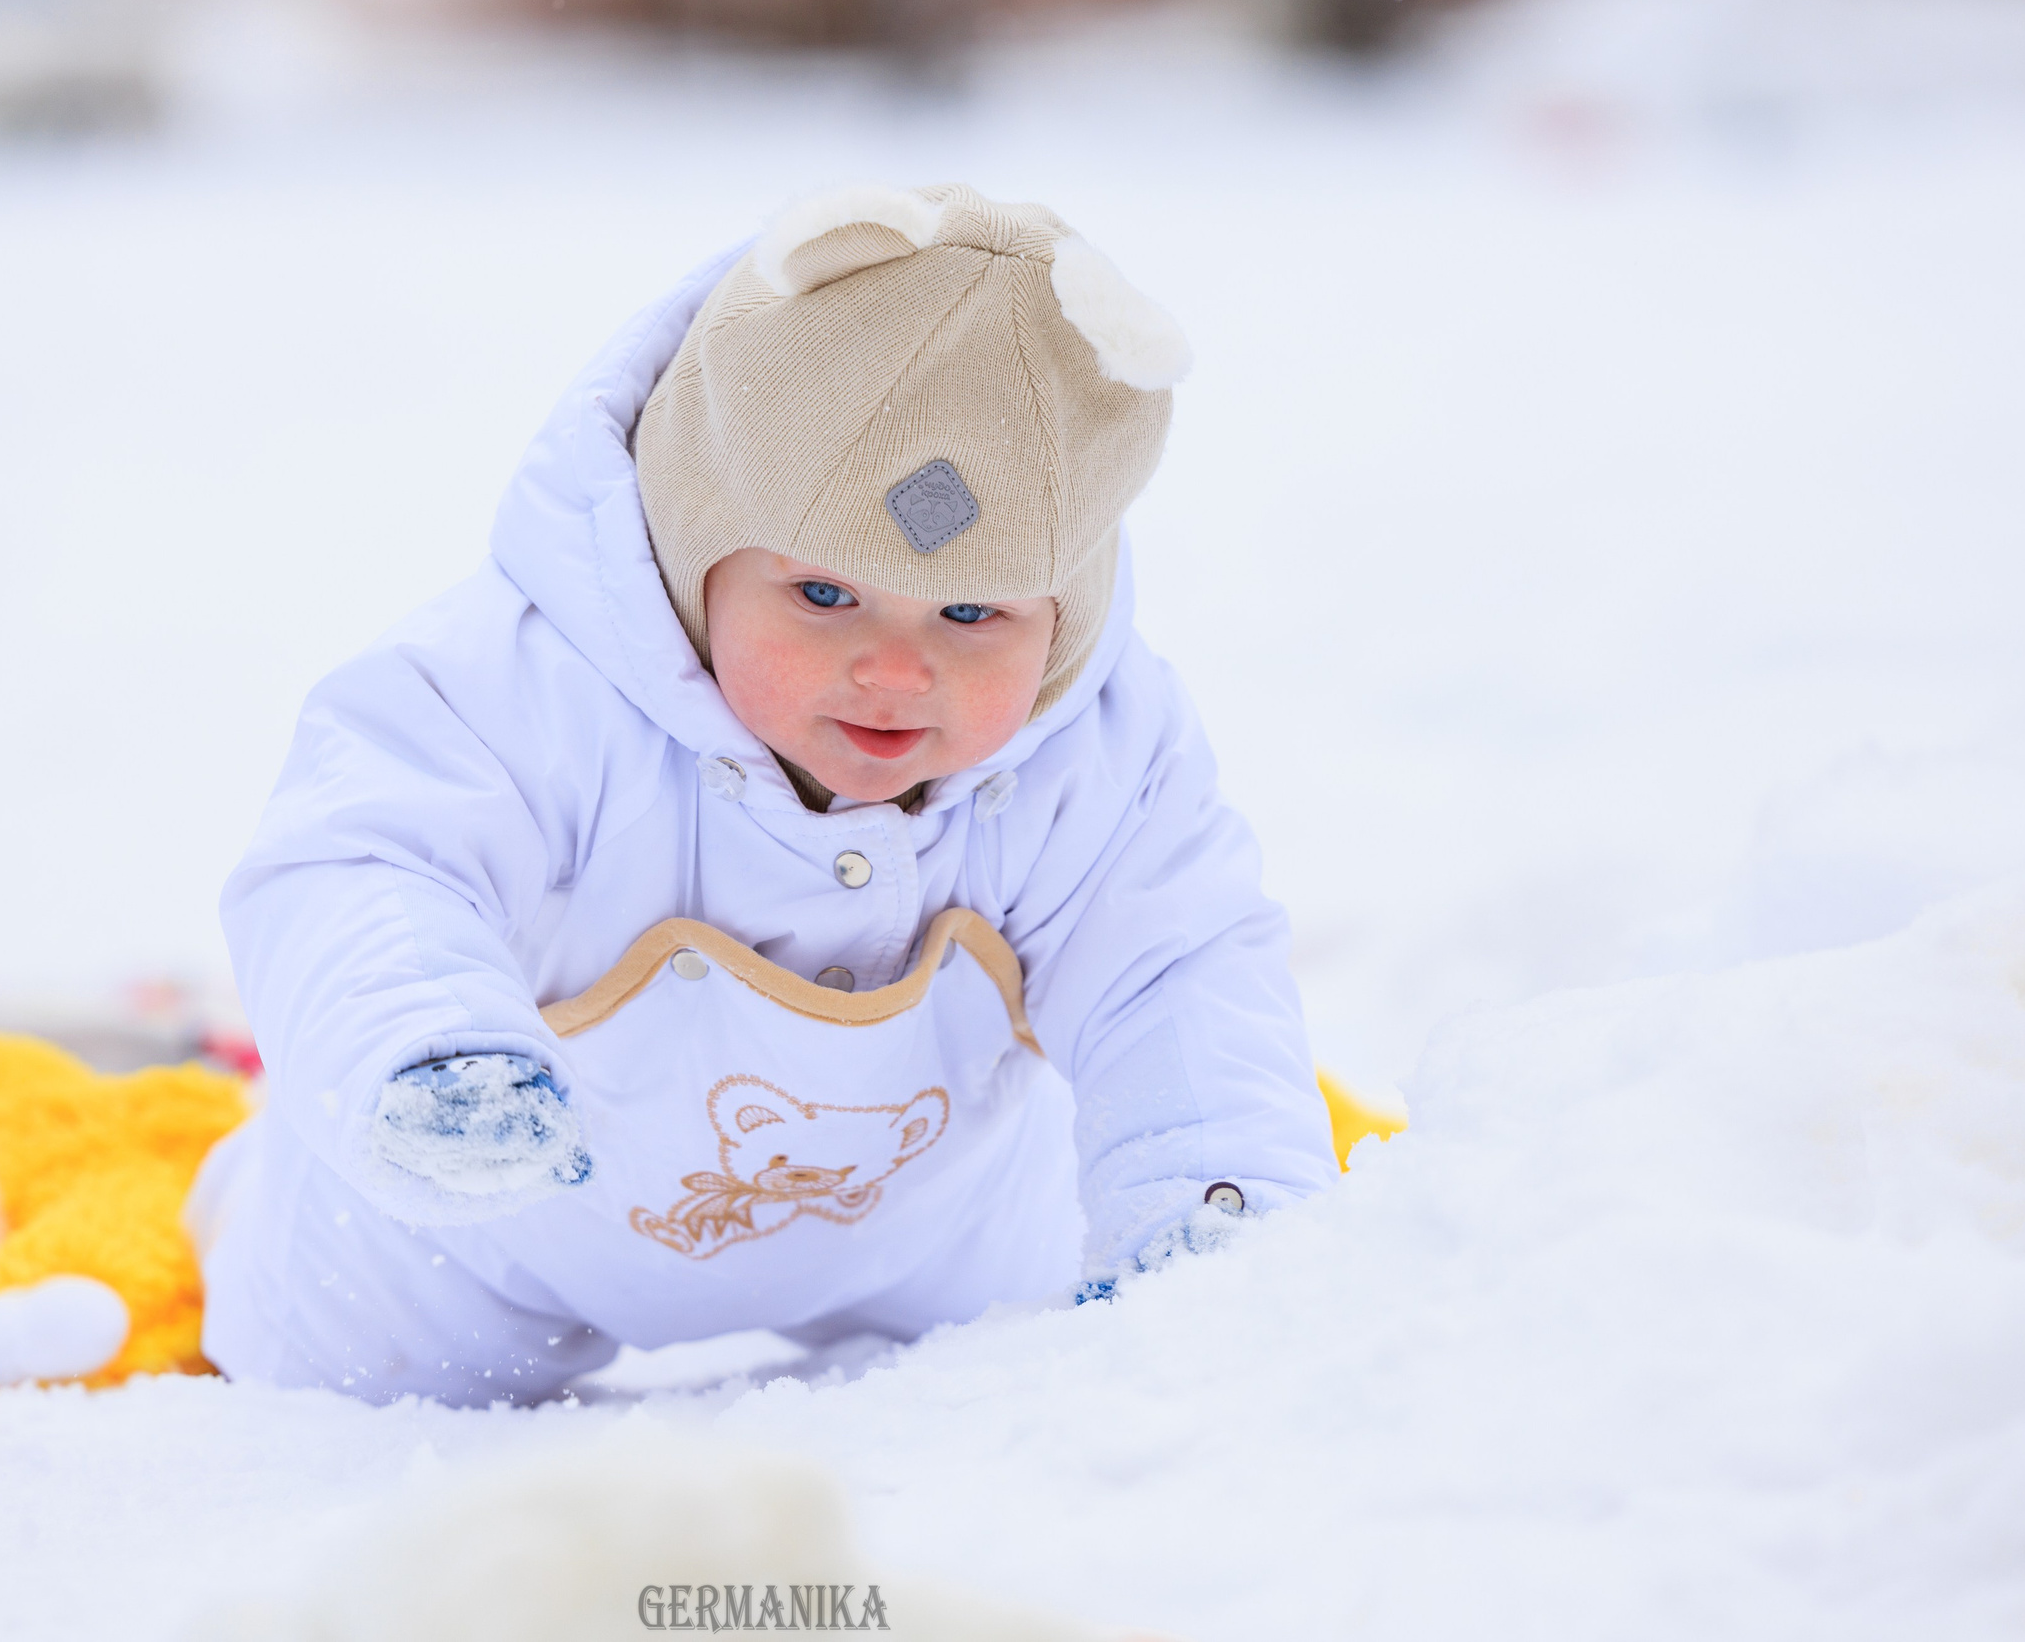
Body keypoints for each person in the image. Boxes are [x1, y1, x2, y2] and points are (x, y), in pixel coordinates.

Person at [191, 184, 1338, 1405]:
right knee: (340, 1385)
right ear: (693, 551)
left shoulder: (1093, 752)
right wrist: (426, 1049)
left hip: (935, 1224)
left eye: (970, 613)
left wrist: (1213, 1193)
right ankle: (231, 1194)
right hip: (487, 1227)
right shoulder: (520, 691)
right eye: (824, 595)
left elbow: (1174, 966)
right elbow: (368, 860)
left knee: (1096, 1307)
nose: (895, 670)